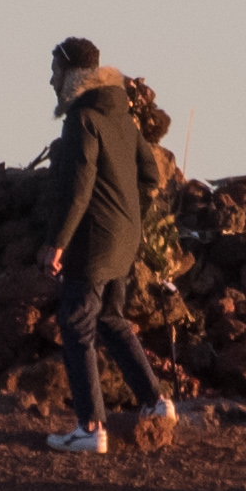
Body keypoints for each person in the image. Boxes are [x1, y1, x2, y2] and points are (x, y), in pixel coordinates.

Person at [35, 37, 175, 458]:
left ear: (71, 74)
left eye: (54, 72)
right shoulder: (121, 119)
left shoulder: (82, 119)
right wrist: (127, 216)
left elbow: (77, 190)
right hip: (124, 240)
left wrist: (57, 243)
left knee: (76, 321)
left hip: (93, 240)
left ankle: (91, 428)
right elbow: (150, 176)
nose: (50, 81)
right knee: (111, 318)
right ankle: (156, 402)